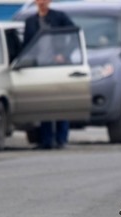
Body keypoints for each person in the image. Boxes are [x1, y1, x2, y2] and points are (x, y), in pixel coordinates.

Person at [23, 0, 75, 150]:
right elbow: (27, 45)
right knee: (44, 103)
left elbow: (74, 34)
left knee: (61, 102)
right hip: (40, 67)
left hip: (58, 66)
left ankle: (61, 139)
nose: (42, 2)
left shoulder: (59, 17)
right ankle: (46, 140)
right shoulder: (31, 21)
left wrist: (64, 54)